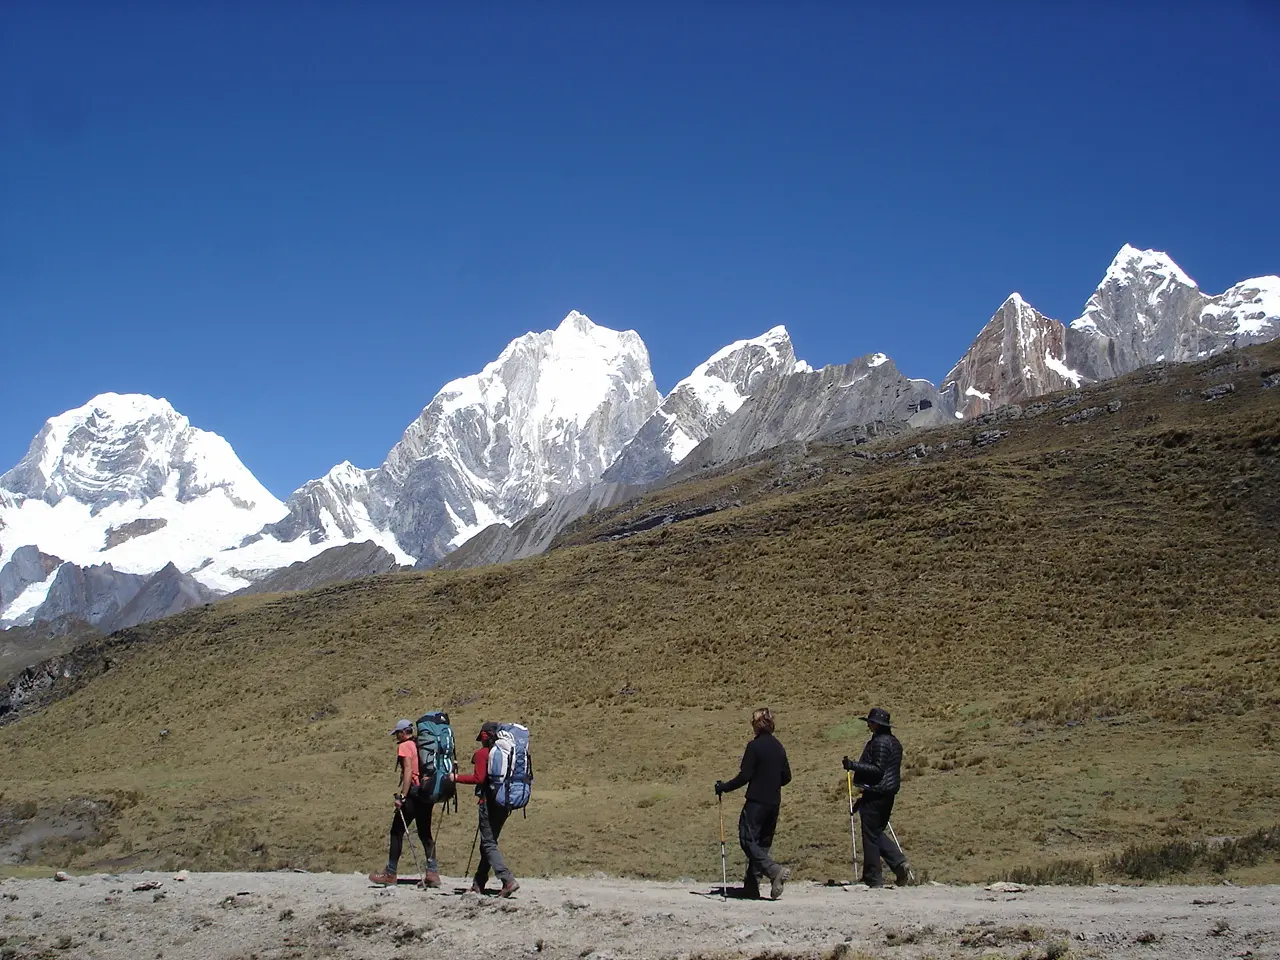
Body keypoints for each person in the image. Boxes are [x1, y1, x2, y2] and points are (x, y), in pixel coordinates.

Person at [714, 707, 793, 899]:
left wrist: (724, 787)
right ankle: (751, 886)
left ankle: (774, 871)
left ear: (757, 725)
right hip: (774, 801)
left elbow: (745, 776)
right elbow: (787, 777)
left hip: (757, 801)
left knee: (747, 839)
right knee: (763, 843)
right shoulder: (779, 747)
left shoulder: (754, 746)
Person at [843, 706, 910, 888]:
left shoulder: (880, 742)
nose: (869, 726)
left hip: (877, 791)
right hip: (888, 792)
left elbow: (878, 770)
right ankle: (898, 864)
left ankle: (873, 876)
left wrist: (853, 766)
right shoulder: (894, 742)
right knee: (876, 831)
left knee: (870, 834)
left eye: (871, 723)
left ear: (877, 724)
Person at [368, 718, 440, 887]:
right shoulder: (418, 744)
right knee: (425, 833)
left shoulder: (404, 747)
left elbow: (408, 771)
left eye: (397, 734)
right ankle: (433, 872)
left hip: (414, 794)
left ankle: (390, 873)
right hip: (426, 793)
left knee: (396, 831)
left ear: (402, 732)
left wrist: (402, 796)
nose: (396, 737)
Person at [451, 721, 519, 897]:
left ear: (484, 736)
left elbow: (478, 778)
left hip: (488, 804)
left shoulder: (483, 754)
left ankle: (507, 879)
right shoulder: (508, 753)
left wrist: (455, 777)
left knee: (488, 844)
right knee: (489, 844)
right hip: (505, 803)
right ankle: (478, 883)